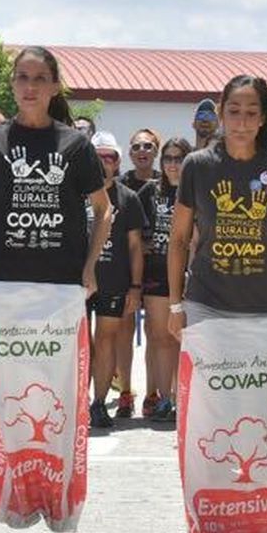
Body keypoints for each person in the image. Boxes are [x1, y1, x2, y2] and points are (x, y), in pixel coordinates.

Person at [0, 46, 110, 299]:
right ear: (12, 83)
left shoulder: (76, 145)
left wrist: (90, 266)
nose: (30, 86)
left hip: (64, 282)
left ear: (55, 86)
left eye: (40, 78)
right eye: (22, 77)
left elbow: (103, 209)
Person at [167, 75, 267, 349]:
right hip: (205, 304)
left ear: (263, 117)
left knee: (256, 391)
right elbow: (179, 239)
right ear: (221, 113)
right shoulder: (196, 165)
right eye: (234, 111)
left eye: (251, 113)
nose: (242, 122)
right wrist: (175, 306)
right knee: (203, 391)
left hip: (263, 306)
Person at [86, 135, 145, 429]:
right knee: (81, 343)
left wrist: (135, 286)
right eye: (97, 157)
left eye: (109, 157)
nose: (103, 163)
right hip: (79, 282)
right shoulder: (74, 193)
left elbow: (135, 247)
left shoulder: (128, 198)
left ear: (118, 162)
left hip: (114, 280)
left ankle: (99, 402)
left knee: (106, 339)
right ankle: (75, 402)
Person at [141, 136, 190, 422]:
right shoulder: (150, 191)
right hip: (156, 272)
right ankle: (163, 398)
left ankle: (181, 396)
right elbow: (136, 233)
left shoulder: (194, 191)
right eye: (168, 159)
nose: (173, 164)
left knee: (181, 338)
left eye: (178, 158)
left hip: (187, 274)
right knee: (159, 337)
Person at [118, 129, 161, 418]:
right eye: (137, 146)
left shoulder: (167, 180)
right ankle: (125, 392)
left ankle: (152, 393)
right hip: (126, 267)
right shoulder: (121, 184)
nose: (142, 150)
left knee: (156, 334)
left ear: (156, 150)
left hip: (158, 268)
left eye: (148, 146)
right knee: (124, 331)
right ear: (130, 153)